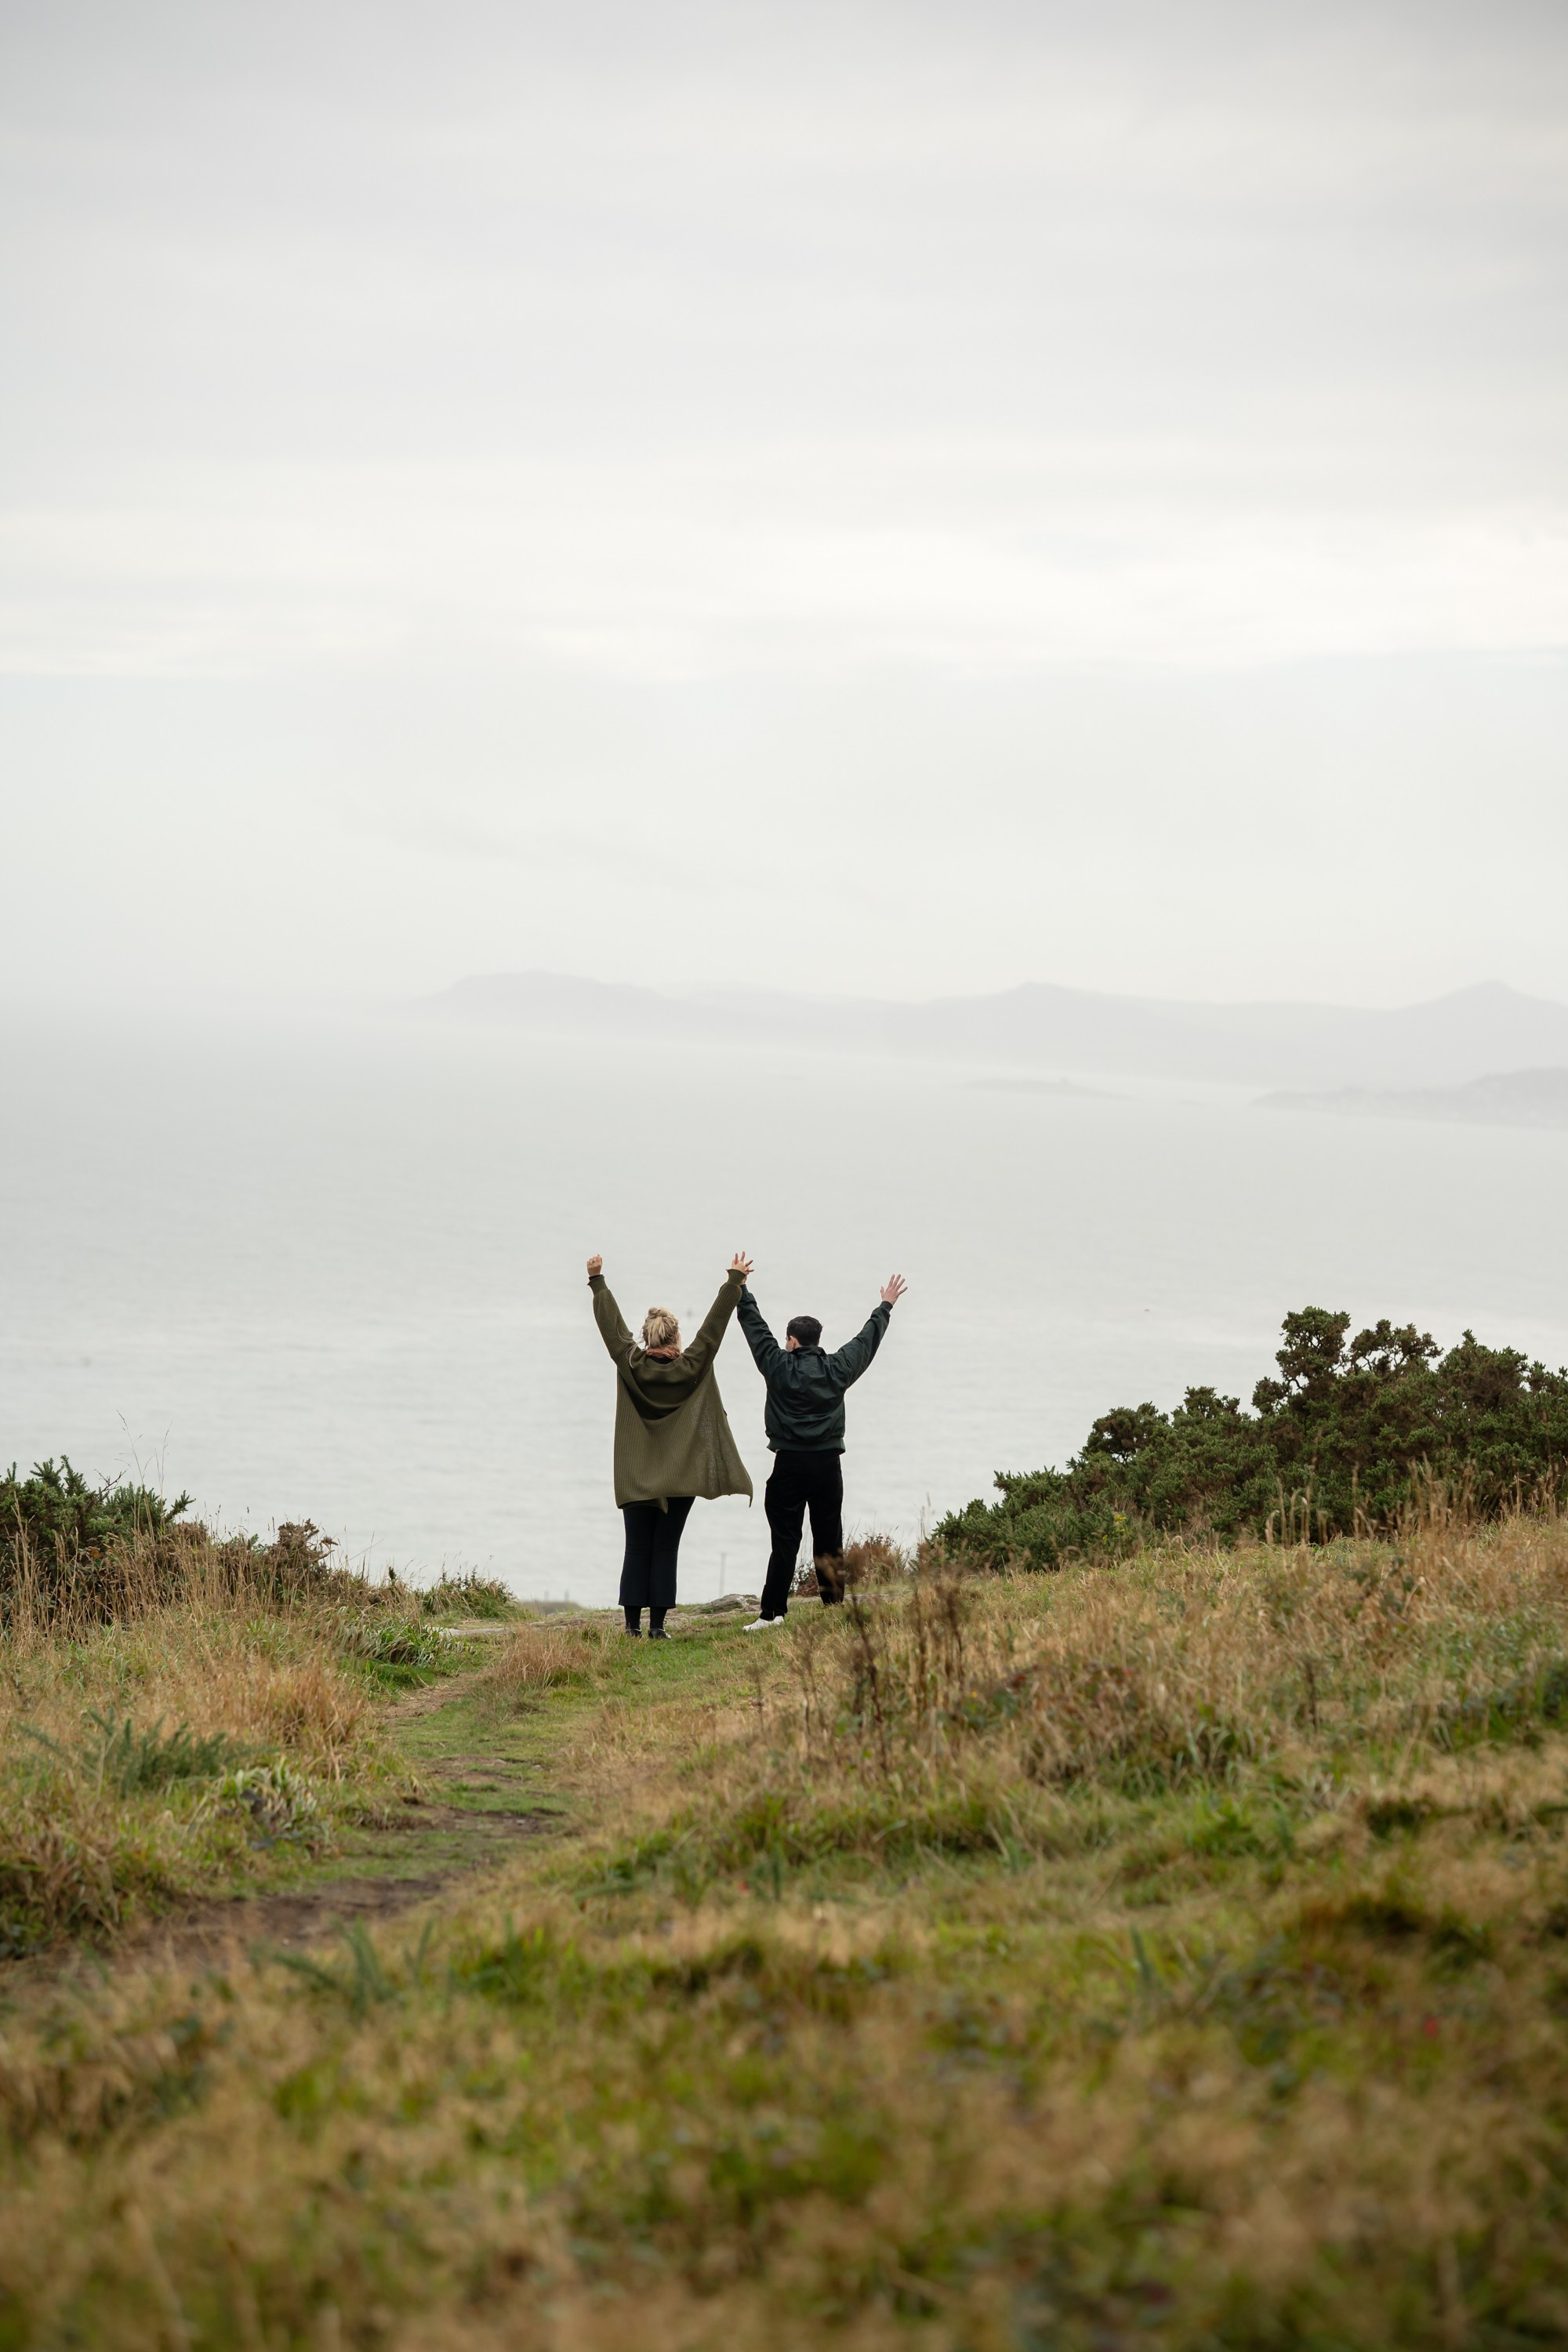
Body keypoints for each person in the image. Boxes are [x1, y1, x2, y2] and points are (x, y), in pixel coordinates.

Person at [586, 1251, 753, 1636]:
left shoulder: (629, 1363)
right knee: (666, 1548)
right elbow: (713, 1329)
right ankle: (658, 1628)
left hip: (636, 1477)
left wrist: (598, 1281)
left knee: (636, 1548)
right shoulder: (692, 1366)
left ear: (646, 1337)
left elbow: (612, 1329)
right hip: (680, 1478)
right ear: (677, 1337)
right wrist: (734, 1283)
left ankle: (631, 1628)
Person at [735, 1269, 907, 1628]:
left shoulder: (778, 1365)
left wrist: (741, 1288)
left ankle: (772, 1614)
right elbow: (866, 1342)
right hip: (829, 1465)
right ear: (817, 1340)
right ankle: (833, 1607)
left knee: (785, 1540)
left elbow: (755, 1329)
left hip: (790, 1464)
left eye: (786, 1340)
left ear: (793, 1341)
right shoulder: (837, 1368)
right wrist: (885, 1306)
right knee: (829, 1537)